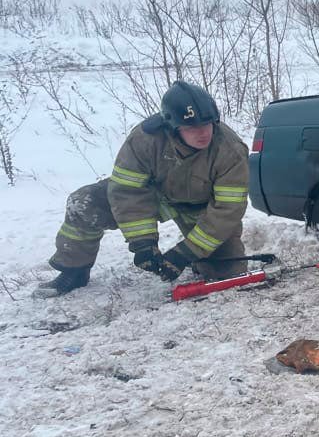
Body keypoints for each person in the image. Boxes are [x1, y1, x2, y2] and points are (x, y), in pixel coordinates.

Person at [37, 81, 249, 296]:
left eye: (207, 124)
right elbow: (127, 191)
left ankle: (203, 262)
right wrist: (143, 243)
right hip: (153, 198)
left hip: (199, 206)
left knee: (229, 270)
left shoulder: (230, 150)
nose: (202, 133)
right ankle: (74, 270)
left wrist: (186, 253)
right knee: (85, 202)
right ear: (173, 127)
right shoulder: (144, 140)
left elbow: (227, 210)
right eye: (191, 127)